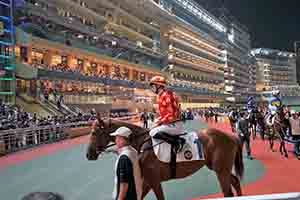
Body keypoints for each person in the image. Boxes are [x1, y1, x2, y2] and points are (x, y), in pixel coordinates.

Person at [148, 75, 185, 149]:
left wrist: (159, 122)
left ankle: (177, 142)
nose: (152, 88)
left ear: (158, 86)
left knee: (152, 132)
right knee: (151, 128)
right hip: (170, 124)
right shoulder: (161, 96)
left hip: (174, 125)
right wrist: (157, 120)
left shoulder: (167, 95)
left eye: (153, 86)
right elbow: (165, 114)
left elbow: (171, 115)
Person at [110, 126, 142, 200]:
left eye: (117, 138)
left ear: (122, 139)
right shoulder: (133, 151)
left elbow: (124, 184)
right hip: (135, 194)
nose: (115, 140)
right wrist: (119, 152)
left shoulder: (124, 158)